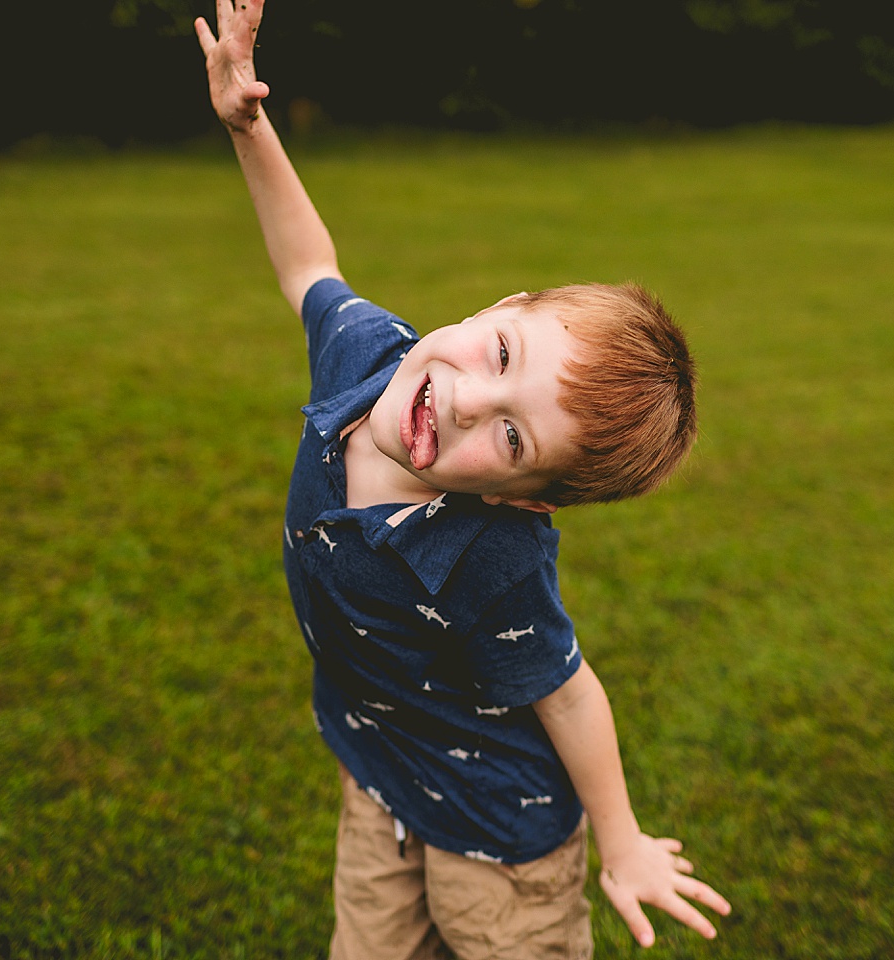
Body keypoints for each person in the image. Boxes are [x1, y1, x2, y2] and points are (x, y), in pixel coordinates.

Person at [196, 2, 732, 955]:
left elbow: (568, 693)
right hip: (380, 771)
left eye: (515, 438)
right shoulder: (365, 359)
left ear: (525, 497)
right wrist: (249, 125)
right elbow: (308, 261)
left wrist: (622, 843)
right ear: (498, 305)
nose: (468, 401)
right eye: (498, 353)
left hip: (501, 830)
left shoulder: (490, 551)